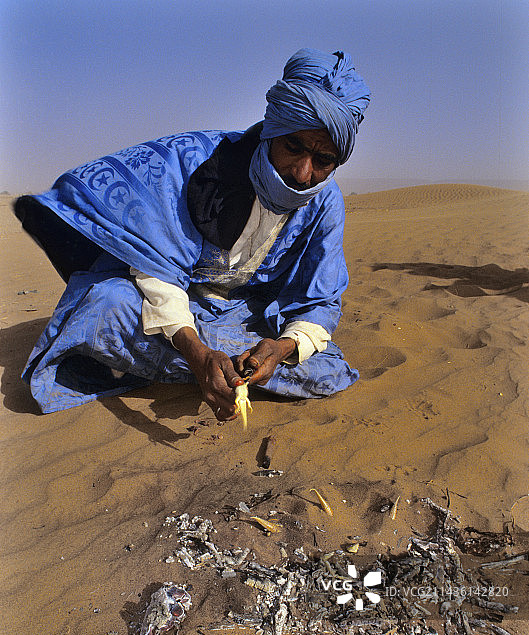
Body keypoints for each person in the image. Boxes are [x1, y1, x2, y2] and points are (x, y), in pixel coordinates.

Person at [15, 48, 370, 417]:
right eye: (292, 147)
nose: (301, 172)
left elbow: (320, 300)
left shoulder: (325, 203)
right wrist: (196, 352)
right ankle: (204, 369)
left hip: (239, 315)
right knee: (104, 304)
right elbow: (152, 263)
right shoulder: (190, 162)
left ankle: (195, 369)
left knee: (325, 367)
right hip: (164, 300)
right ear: (271, 132)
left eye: (323, 161)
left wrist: (278, 350)